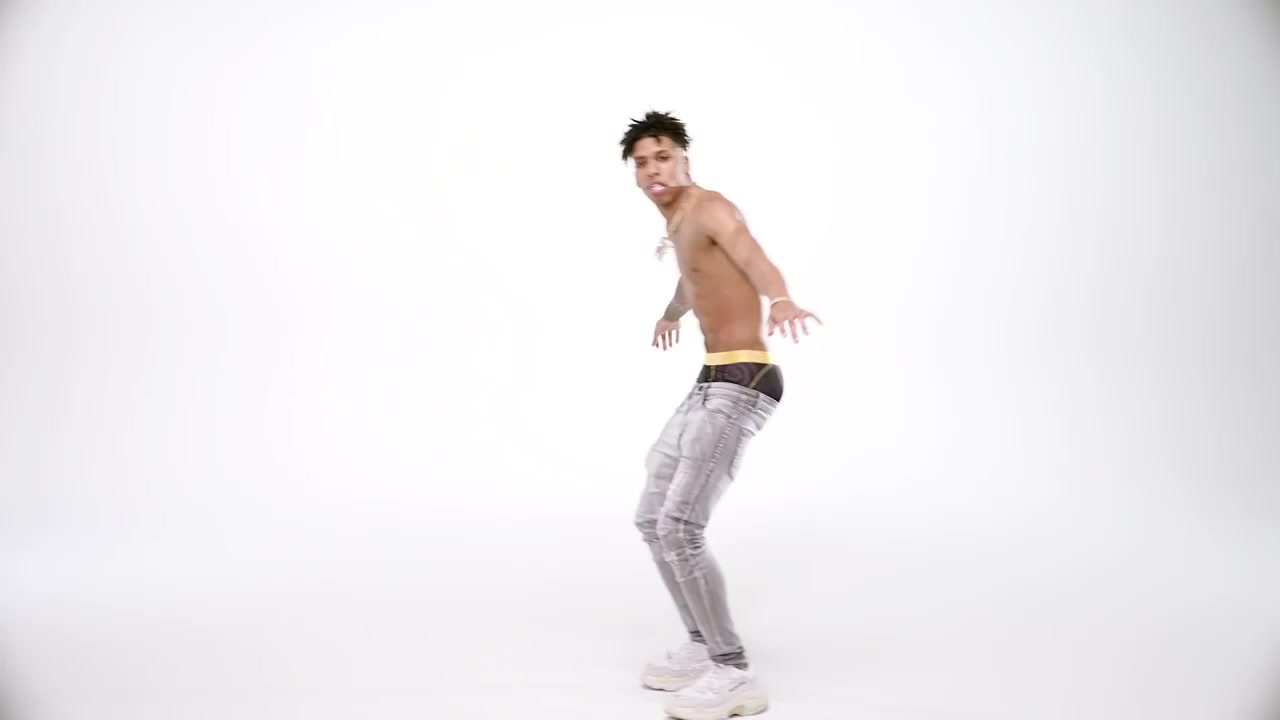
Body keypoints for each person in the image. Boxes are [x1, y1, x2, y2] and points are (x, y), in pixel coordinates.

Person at [621, 111, 820, 720]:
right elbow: (694, 279)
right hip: (710, 381)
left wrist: (780, 298)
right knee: (653, 517)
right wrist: (671, 314)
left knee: (681, 525)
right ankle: (701, 644)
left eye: (663, 157)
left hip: (743, 382)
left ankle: (733, 673)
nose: (652, 169)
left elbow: (752, 256)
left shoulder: (709, 207)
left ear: (685, 160)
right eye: (642, 162)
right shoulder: (679, 221)